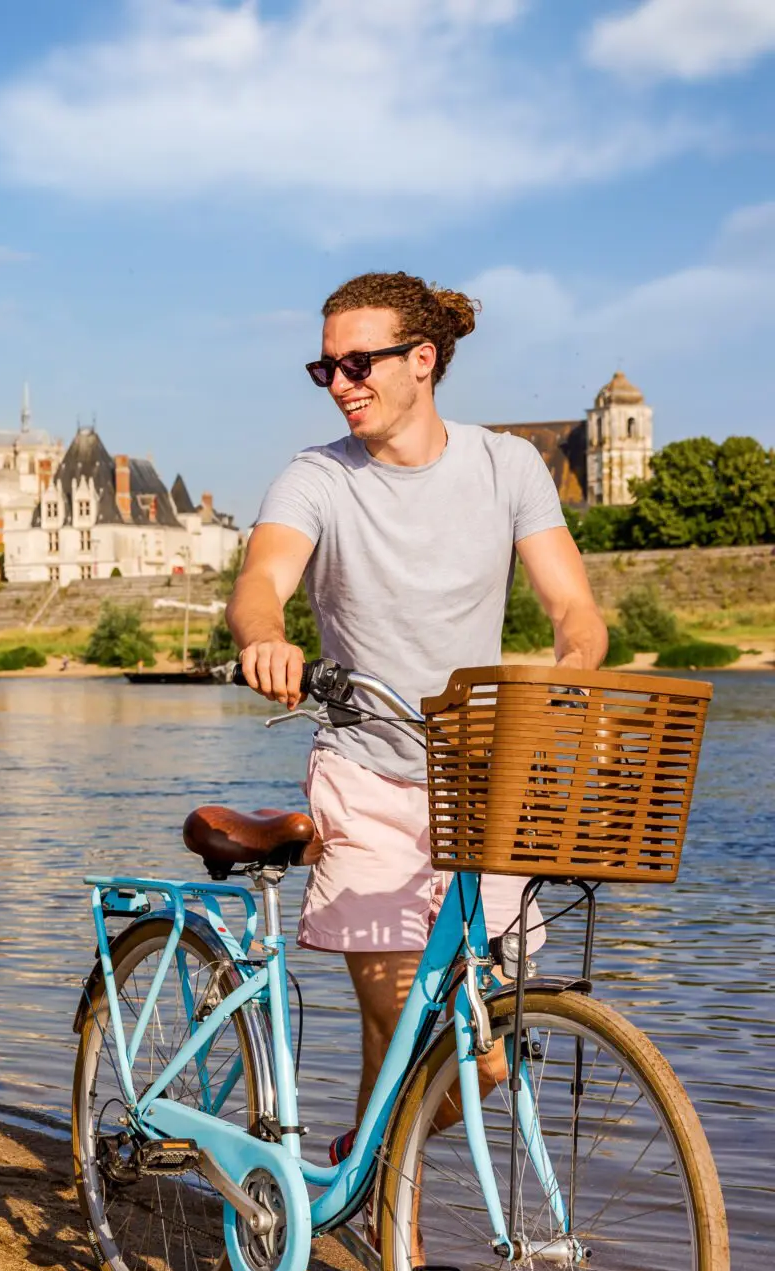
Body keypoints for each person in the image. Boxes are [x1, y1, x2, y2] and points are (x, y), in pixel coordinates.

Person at [228, 272, 607, 1165]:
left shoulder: (507, 465)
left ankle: (371, 1172)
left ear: (424, 360)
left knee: (465, 1047)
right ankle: (389, 1197)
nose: (342, 382)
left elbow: (573, 608)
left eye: (359, 362)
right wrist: (265, 638)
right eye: (327, 368)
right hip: (366, 776)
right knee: (429, 1042)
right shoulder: (316, 476)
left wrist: (572, 665)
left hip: (483, 784)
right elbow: (262, 582)